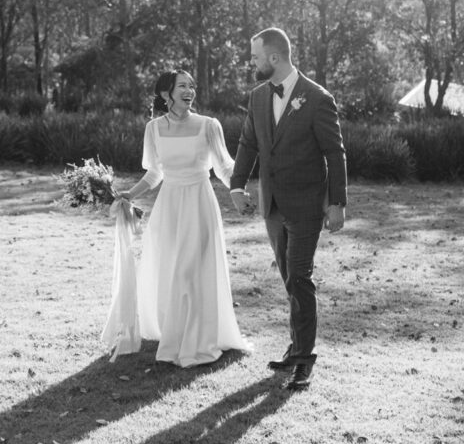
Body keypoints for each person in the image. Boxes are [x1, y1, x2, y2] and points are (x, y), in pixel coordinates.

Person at [230, 27, 347, 391]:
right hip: (273, 205)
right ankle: (297, 347)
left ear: (275, 57)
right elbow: (249, 143)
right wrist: (237, 184)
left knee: (299, 277)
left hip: (307, 204)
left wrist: (337, 203)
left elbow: (334, 152)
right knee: (289, 279)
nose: (252, 63)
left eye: (255, 57)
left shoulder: (317, 97)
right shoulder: (258, 97)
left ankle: (304, 360)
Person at [116, 70, 249, 368]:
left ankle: (197, 341)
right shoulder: (153, 129)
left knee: (191, 270)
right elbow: (154, 173)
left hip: (199, 203)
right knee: (173, 270)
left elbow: (224, 167)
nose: (190, 90)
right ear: (166, 95)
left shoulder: (208, 126)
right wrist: (129, 195)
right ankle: (175, 334)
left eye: (192, 86)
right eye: (182, 86)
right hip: (169, 206)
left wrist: (238, 189)